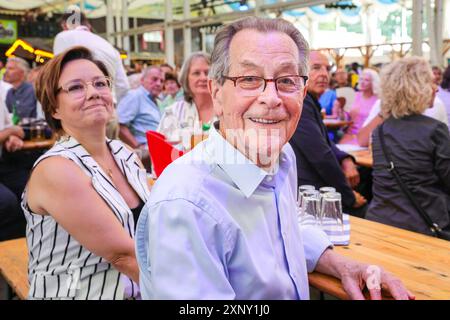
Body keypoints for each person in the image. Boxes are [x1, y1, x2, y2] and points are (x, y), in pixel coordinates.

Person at [135, 17, 413, 300]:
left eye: (286, 81)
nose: (271, 98)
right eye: (249, 79)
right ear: (217, 93)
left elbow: (282, 230)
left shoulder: (282, 157)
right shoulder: (185, 204)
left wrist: (342, 265)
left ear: (302, 93)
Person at [23, 46, 150, 299]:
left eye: (100, 84)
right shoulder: (56, 169)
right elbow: (123, 256)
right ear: (54, 108)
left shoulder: (124, 153)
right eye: (76, 87)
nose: (93, 93)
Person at [366, 57, 450, 236]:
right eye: (430, 82)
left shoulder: (380, 130)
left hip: (381, 220)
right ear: (416, 89)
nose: (435, 88)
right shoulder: (435, 129)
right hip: (424, 226)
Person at [289, 51, 367, 217]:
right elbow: (320, 156)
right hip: (308, 198)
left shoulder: (309, 101)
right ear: (297, 72)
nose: (324, 74)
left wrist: (345, 159)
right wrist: (349, 197)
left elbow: (323, 141)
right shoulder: (299, 103)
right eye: (316, 68)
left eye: (327, 68)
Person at [53, 10, 130, 138]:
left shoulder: (64, 37)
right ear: (88, 25)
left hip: (79, 116)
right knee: (110, 156)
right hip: (108, 114)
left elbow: (56, 78)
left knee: (74, 157)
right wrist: (110, 102)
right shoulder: (109, 47)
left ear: (65, 25)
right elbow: (124, 86)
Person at [157, 52, 215, 148]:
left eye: (207, 72)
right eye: (196, 73)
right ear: (186, 79)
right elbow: (159, 148)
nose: (203, 77)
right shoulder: (173, 112)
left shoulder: (227, 111)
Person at [117, 66, 164, 149]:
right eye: (154, 79)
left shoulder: (158, 101)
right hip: (146, 152)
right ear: (142, 80)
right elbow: (119, 125)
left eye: (162, 81)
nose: (159, 84)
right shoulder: (135, 96)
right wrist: (138, 148)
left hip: (160, 148)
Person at [339, 68, 379, 144]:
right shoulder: (354, 96)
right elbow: (345, 117)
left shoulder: (378, 100)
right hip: (350, 136)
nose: (362, 82)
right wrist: (341, 111)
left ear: (374, 83)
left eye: (366, 80)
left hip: (370, 139)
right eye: (361, 79)